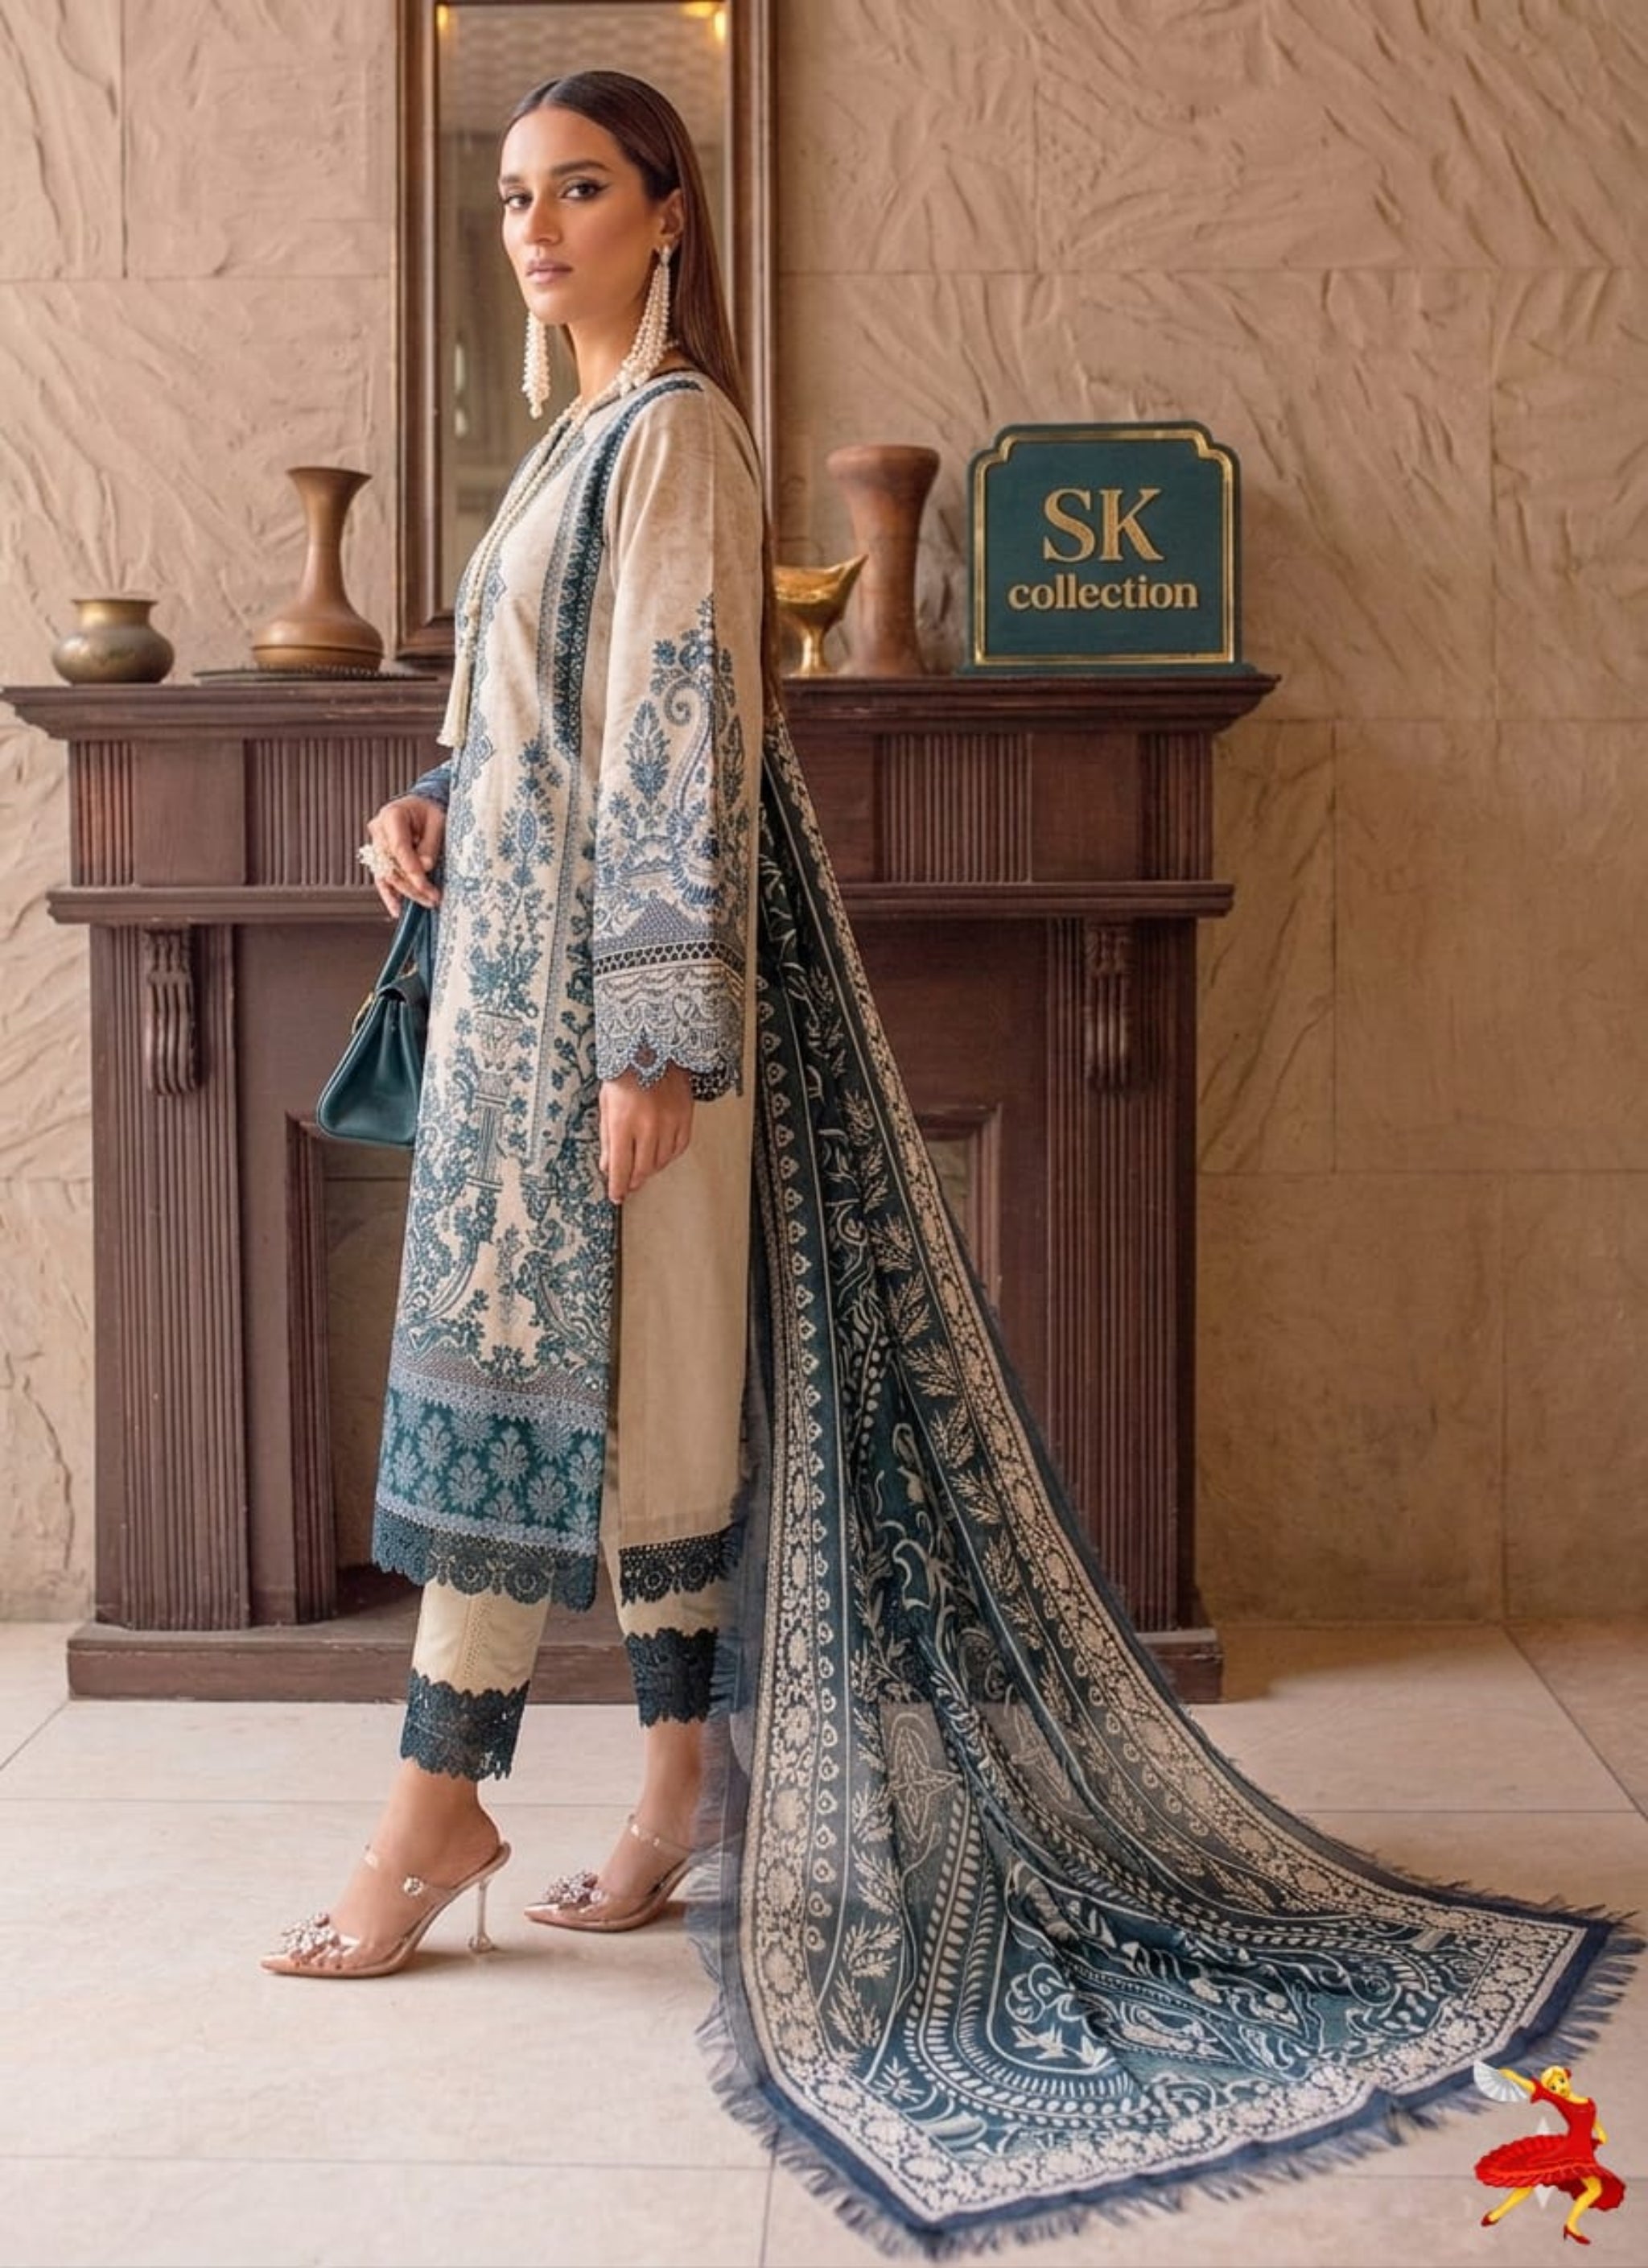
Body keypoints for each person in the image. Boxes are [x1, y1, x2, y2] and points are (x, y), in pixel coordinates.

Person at [266, 68, 1640, 2254]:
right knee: (580, 1413)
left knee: (608, 1406)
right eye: (516, 196)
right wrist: (432, 797)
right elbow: (560, 700)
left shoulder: (682, 437)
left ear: (670, 213)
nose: (536, 228)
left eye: (581, 191)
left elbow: (691, 734)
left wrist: (652, 1044)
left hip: (623, 1027)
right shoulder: (568, 444)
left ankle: (449, 1812)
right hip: (516, 997)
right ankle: (661, 1788)